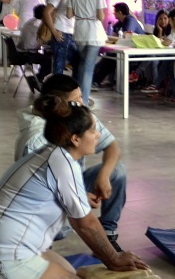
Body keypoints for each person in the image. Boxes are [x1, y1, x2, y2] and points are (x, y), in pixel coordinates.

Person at [0, 95, 148, 279]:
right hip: (7, 257)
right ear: (76, 139)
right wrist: (114, 258)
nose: (98, 135)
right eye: (93, 131)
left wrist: (80, 198)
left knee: (73, 277)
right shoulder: (63, 164)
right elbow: (86, 224)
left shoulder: (53, 153)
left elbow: (50, 195)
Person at [16, 74, 129, 250]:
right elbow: (38, 191)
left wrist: (104, 176)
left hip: (68, 187)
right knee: (63, 232)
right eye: (77, 99)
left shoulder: (76, 115)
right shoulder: (37, 140)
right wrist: (79, 198)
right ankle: (40, 242)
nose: (83, 103)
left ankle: (108, 233)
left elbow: (112, 146)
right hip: (45, 198)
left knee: (116, 170)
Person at [67, 0, 107, 105]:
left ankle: (76, 98)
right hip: (94, 32)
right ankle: (82, 101)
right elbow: (101, 17)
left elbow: (69, 14)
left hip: (79, 31)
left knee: (81, 66)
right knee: (88, 69)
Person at [45, 0, 78, 76]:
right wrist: (54, 32)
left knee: (78, 63)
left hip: (73, 34)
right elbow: (46, 13)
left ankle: (73, 89)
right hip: (61, 33)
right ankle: (56, 91)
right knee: (59, 66)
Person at [18, 4, 53, 82]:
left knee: (47, 57)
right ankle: (36, 79)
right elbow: (46, 40)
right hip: (29, 54)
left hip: (20, 53)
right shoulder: (40, 25)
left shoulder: (29, 22)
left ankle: (36, 79)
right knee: (52, 62)